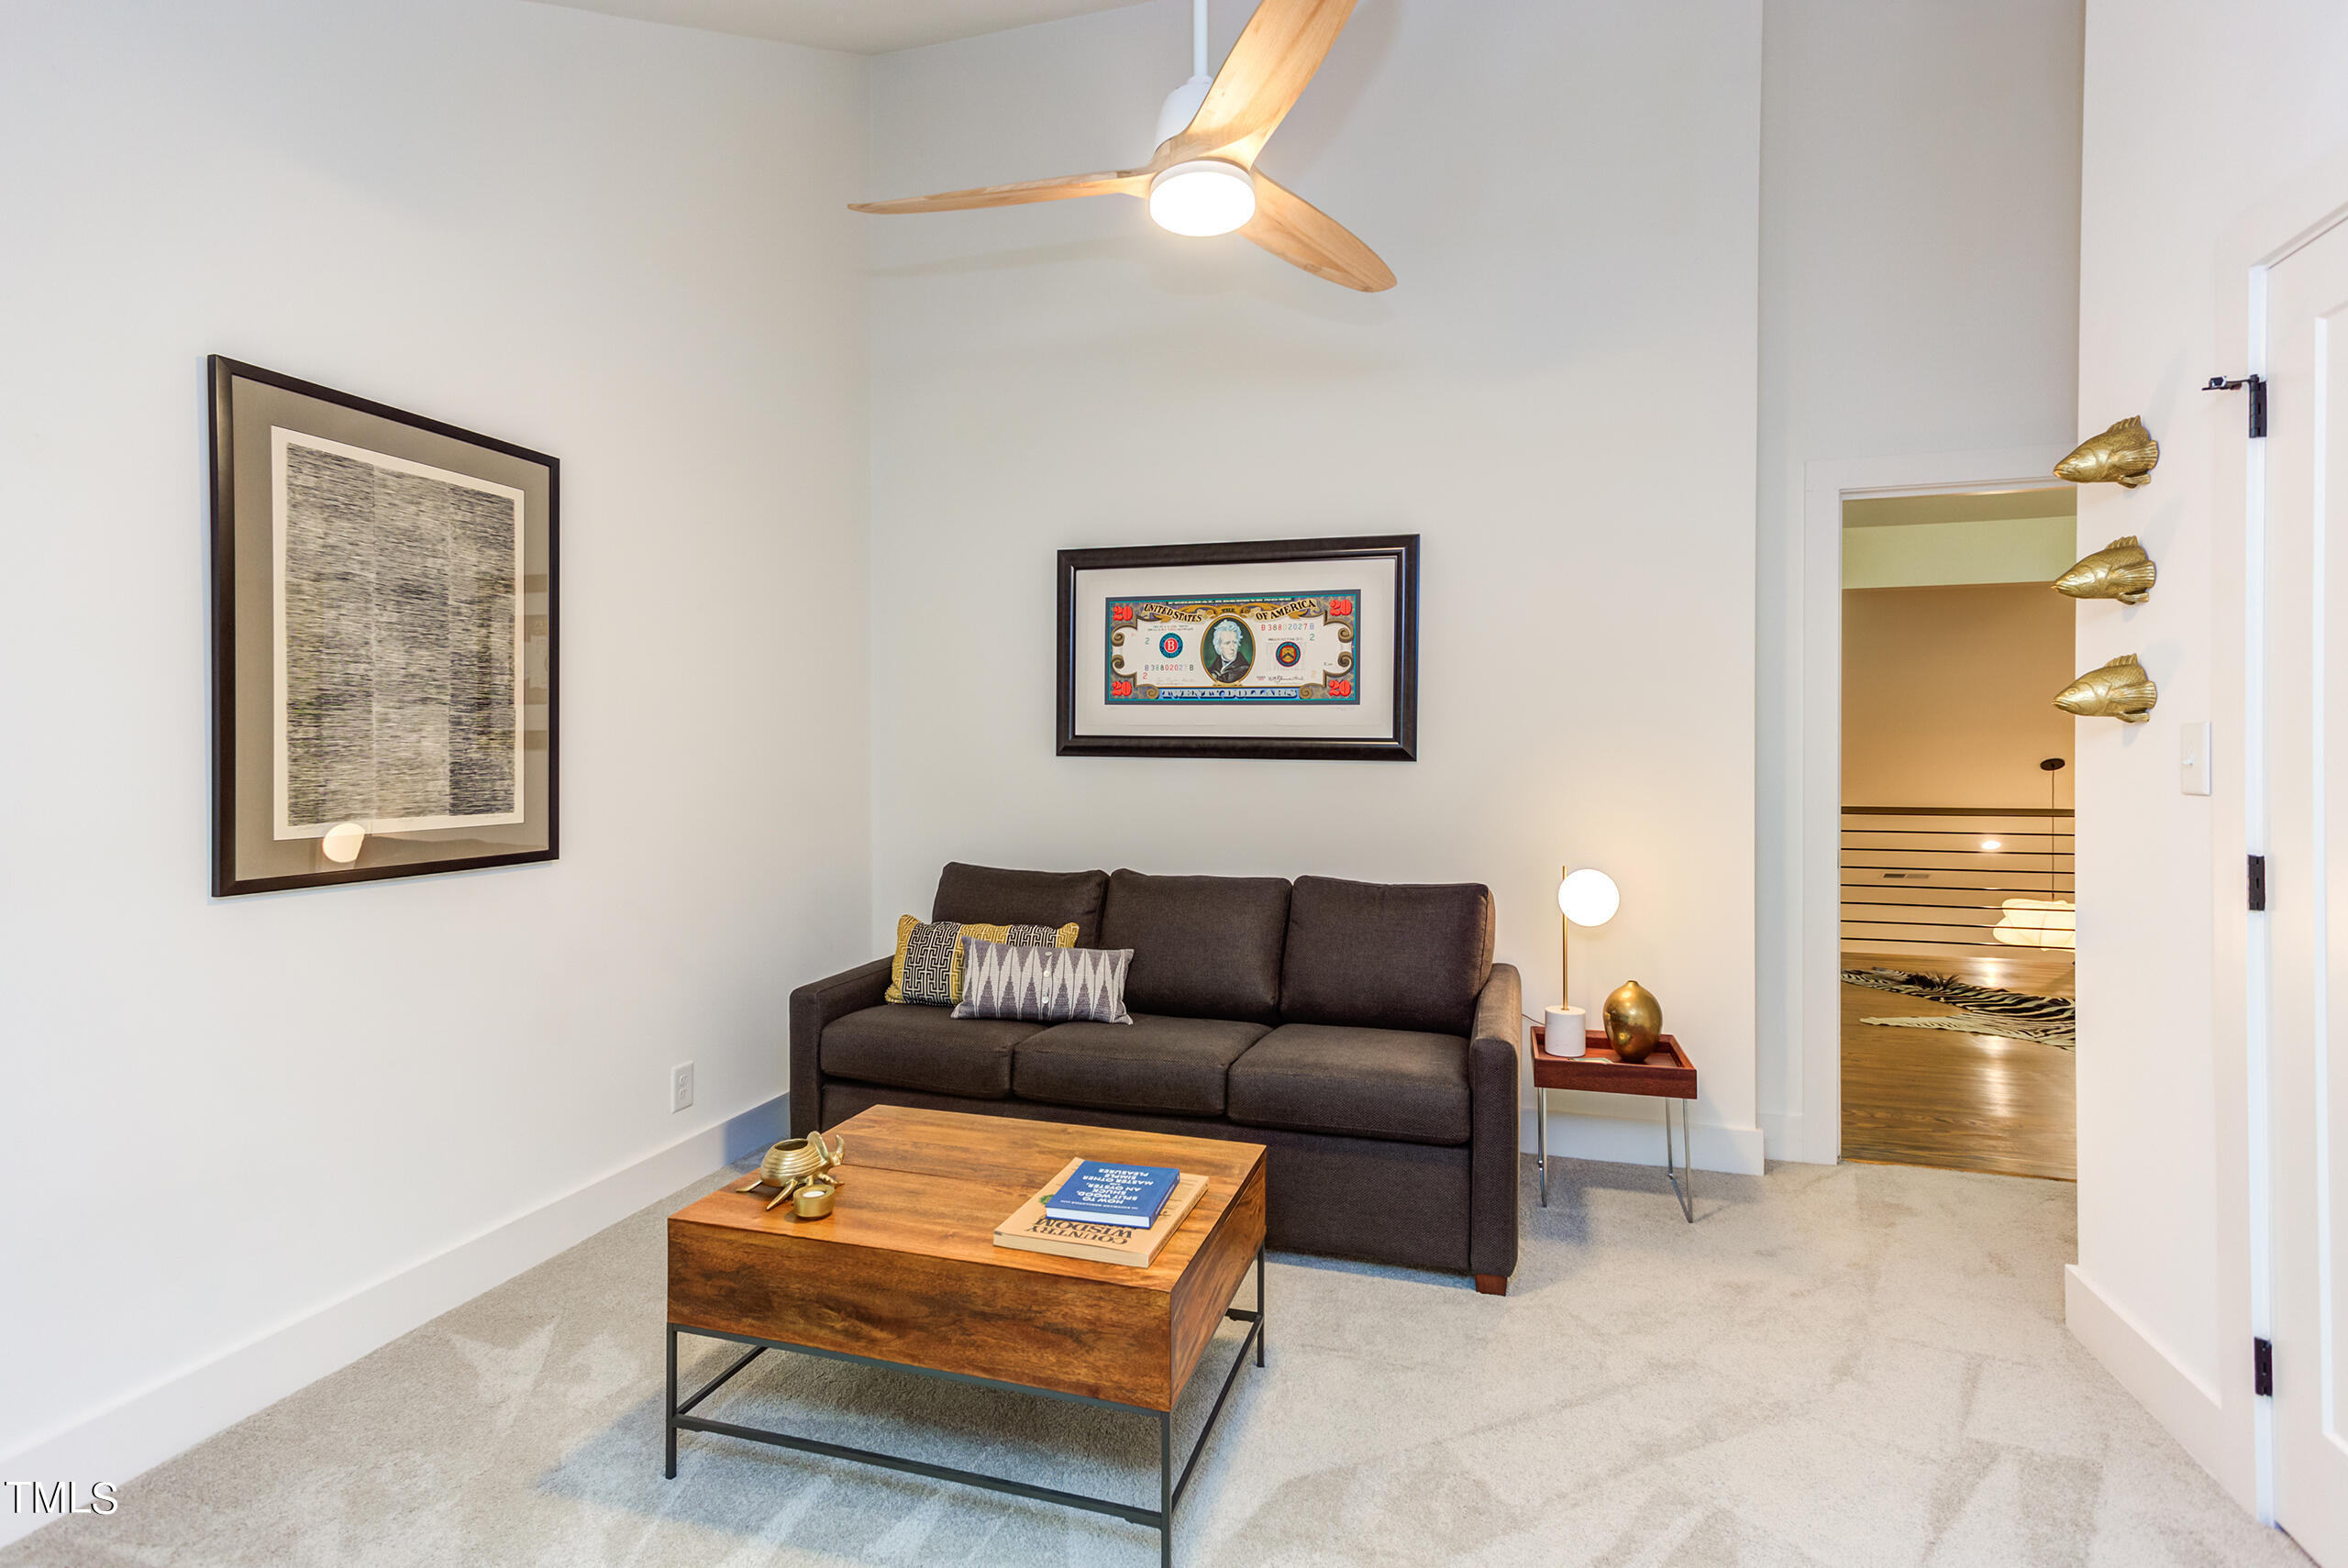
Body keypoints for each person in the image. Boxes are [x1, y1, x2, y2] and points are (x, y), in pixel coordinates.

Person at [1203, 618, 1252, 684]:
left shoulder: (1244, 671)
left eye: (1234, 642)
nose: (1232, 648)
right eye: (1227, 643)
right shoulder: (1212, 670)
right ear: (1218, 645)